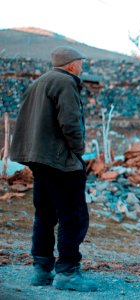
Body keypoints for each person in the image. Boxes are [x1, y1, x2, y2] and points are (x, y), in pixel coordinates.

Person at [10, 45, 97, 292]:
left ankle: (41, 269)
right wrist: (78, 151)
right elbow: (69, 122)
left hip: (39, 158)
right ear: (70, 64)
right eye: (80, 63)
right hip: (60, 160)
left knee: (45, 215)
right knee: (73, 216)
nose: (81, 67)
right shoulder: (65, 82)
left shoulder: (40, 82)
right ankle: (68, 272)